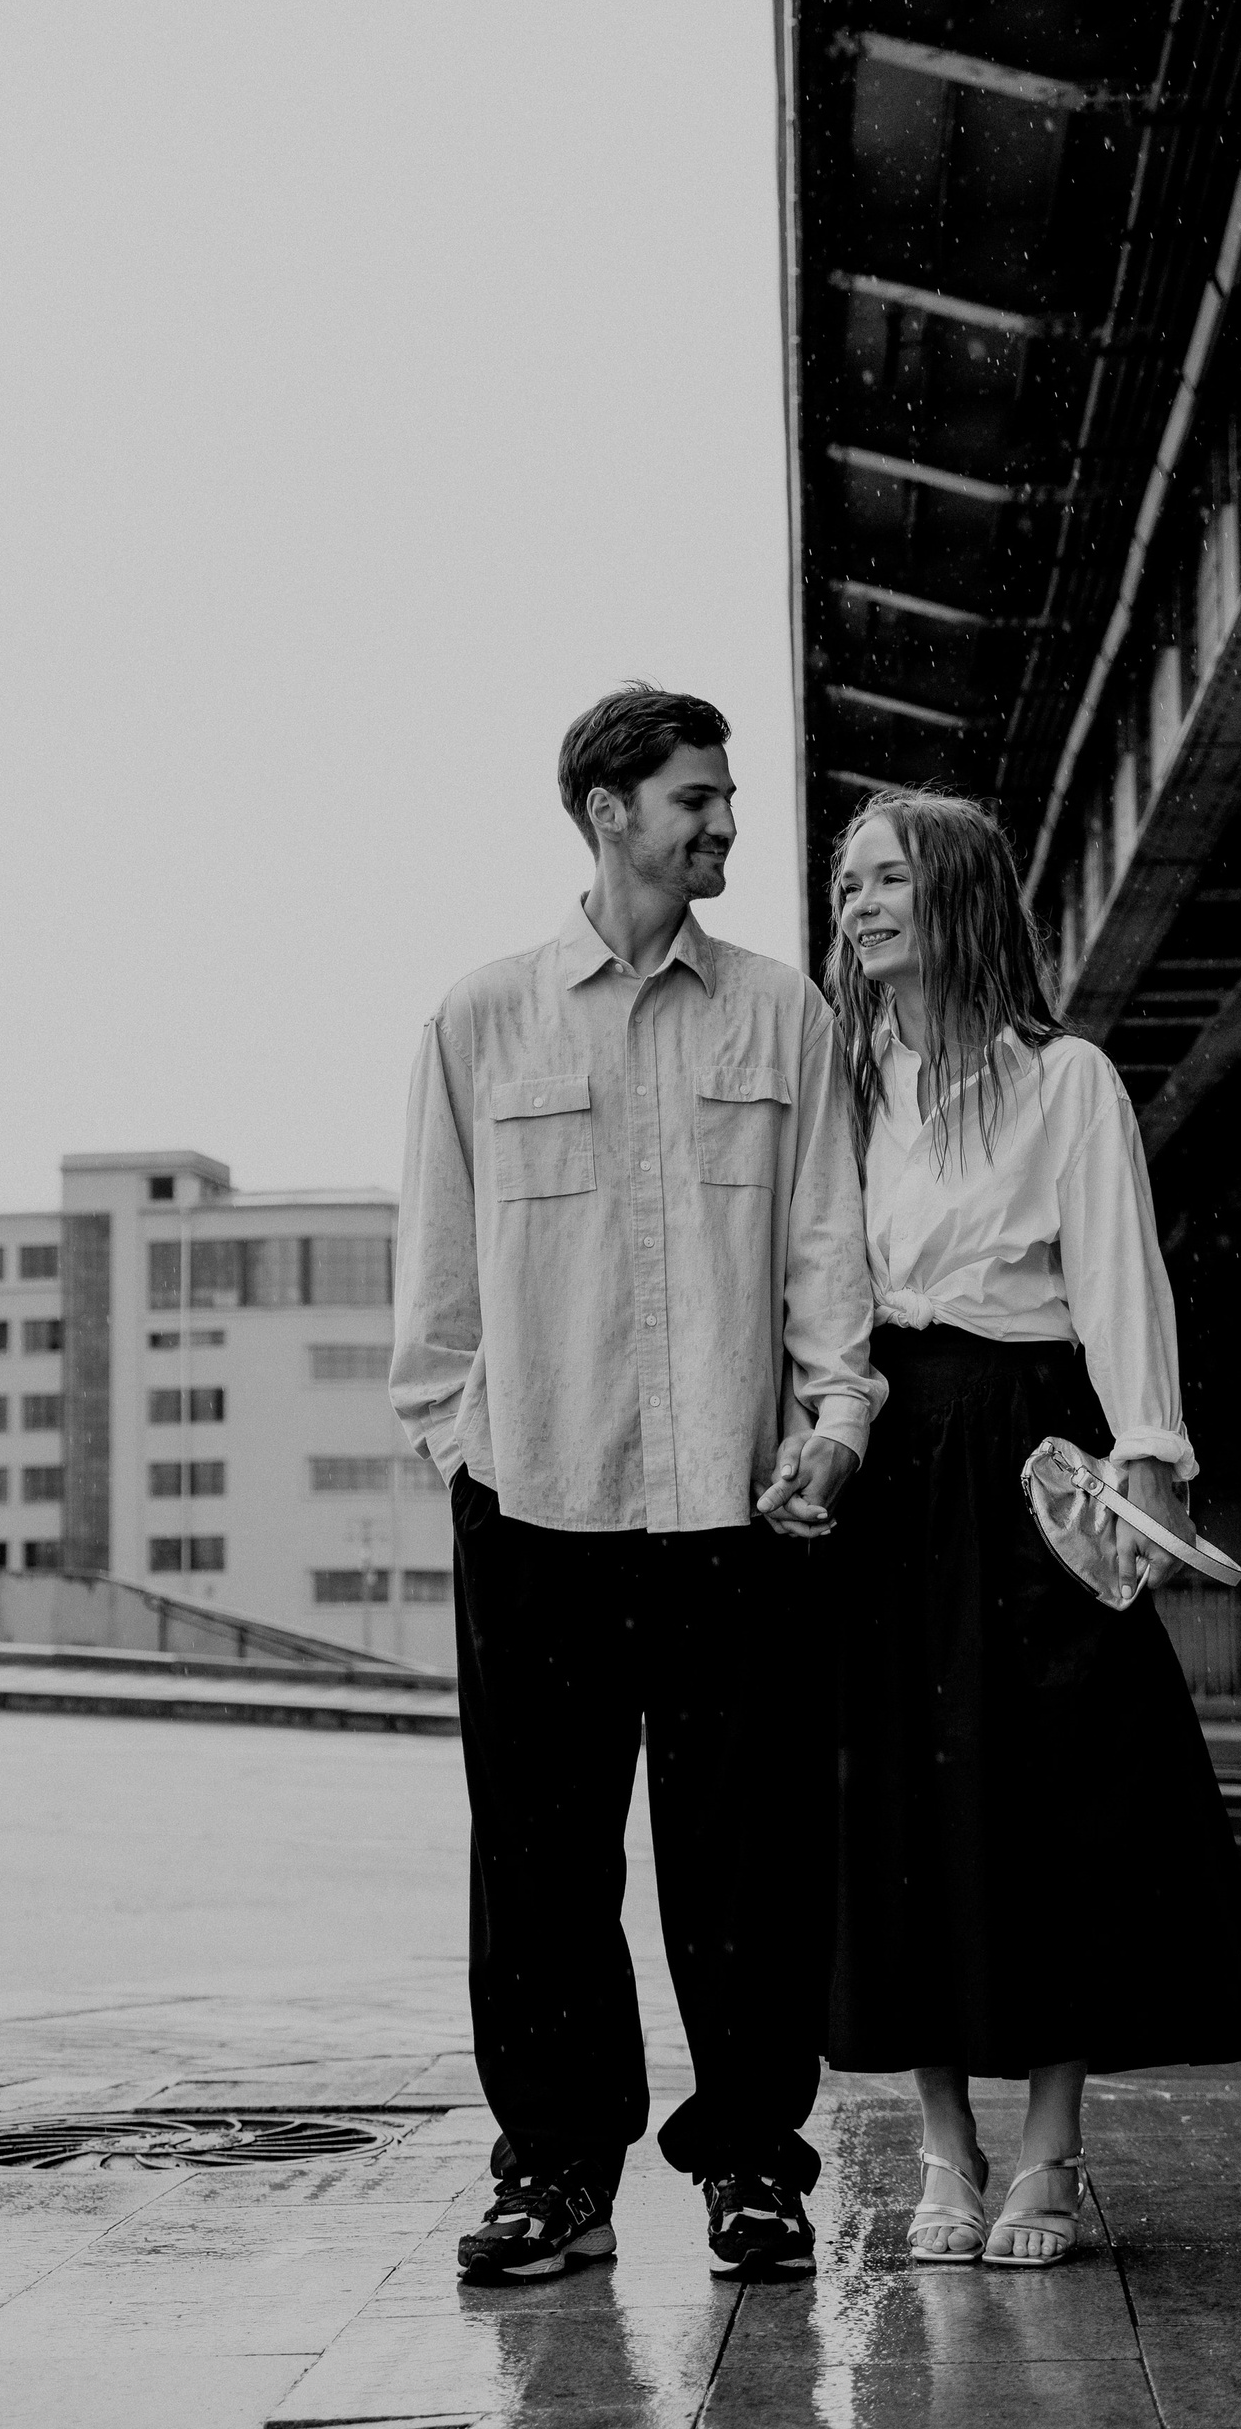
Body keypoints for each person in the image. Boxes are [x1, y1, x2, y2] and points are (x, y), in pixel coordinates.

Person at [390, 684, 877, 2287]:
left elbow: (825, 1246)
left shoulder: (782, 1015)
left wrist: (835, 1419)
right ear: (609, 811)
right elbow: (437, 1278)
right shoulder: (481, 1019)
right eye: (696, 798)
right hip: (537, 1502)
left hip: (742, 1509)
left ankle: (754, 2166)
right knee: (538, 1864)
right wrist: (466, 1451)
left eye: (725, 796)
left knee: (750, 1861)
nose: (725, 820)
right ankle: (555, 2169)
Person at [762, 788, 1241, 2271]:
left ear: (963, 895)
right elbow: (816, 1282)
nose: (858, 906)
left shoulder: (1066, 1079)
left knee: (1061, 1785)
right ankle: (945, 2144)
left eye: (888, 880)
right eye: (848, 884)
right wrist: (819, 1433)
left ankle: (1051, 2144)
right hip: (890, 1448)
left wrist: (1152, 1459)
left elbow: (1119, 1276)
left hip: (1033, 1447)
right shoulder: (841, 1081)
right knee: (899, 1795)